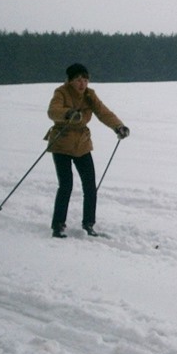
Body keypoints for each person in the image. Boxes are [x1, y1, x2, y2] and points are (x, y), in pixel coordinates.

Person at [45, 63, 130, 238]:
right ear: (69, 81)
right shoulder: (61, 92)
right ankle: (58, 225)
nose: (82, 84)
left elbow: (103, 112)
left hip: (82, 144)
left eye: (85, 79)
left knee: (90, 186)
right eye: (78, 80)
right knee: (66, 185)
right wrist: (68, 114)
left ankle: (89, 224)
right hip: (61, 142)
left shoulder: (90, 95)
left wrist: (119, 127)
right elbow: (53, 111)